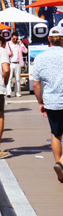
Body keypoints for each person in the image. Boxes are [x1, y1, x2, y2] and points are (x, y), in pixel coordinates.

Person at [31, 25, 63, 182]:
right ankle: (62, 163)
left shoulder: (40, 58)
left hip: (51, 101)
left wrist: (40, 102)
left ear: (49, 39)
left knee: (56, 134)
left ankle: (59, 163)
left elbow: (36, 84)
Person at [6, 32, 28, 97]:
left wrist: (21, 44)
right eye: (14, 39)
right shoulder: (7, 44)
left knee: (17, 79)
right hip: (10, 63)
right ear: (11, 38)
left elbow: (25, 51)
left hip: (18, 63)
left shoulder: (19, 45)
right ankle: (8, 92)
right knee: (9, 78)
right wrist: (8, 54)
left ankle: (17, 92)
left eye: (16, 39)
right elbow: (3, 52)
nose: (15, 40)